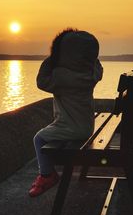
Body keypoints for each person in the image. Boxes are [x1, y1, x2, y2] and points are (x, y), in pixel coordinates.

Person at [29, 28, 103, 197]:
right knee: (50, 131)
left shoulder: (61, 77)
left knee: (39, 138)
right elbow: (99, 68)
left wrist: (51, 59)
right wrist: (92, 60)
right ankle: (47, 174)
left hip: (71, 128)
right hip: (86, 126)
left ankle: (47, 175)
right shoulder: (91, 74)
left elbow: (41, 82)